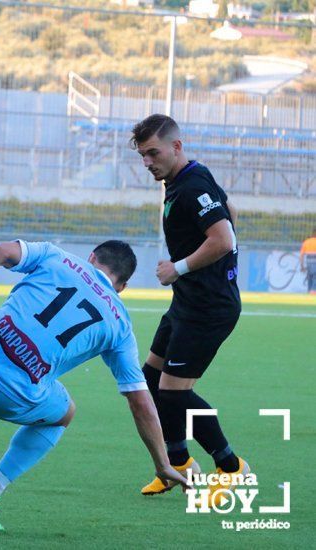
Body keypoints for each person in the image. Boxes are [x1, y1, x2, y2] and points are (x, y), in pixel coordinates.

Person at [0, 239, 189, 530]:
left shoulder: (55, 256)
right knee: (65, 413)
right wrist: (162, 464)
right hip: (12, 398)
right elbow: (140, 401)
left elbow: (0, 252)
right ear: (122, 288)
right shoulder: (120, 326)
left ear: (91, 257)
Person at [131, 114, 246, 501]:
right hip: (189, 302)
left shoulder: (193, 185)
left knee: (175, 393)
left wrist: (178, 268)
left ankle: (231, 466)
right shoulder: (189, 177)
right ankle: (178, 466)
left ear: (176, 146)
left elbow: (223, 237)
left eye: (153, 153)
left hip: (208, 308)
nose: (147, 162)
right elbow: (229, 212)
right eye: (143, 155)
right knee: (150, 380)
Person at [300, 228, 316, 294]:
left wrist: (302, 266)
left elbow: (301, 255)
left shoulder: (306, 242)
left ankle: (309, 291)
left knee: (310, 277)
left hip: (308, 262)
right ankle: (313, 291)